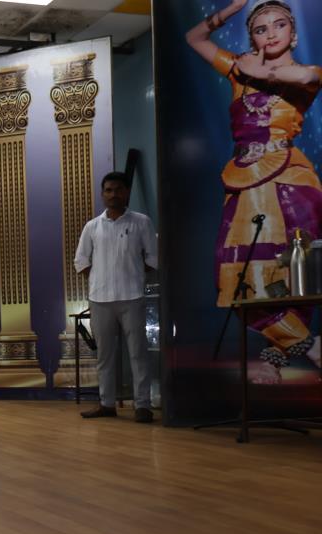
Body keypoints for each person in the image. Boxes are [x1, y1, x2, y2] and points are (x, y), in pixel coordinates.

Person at [186, 0, 322, 383]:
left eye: (279, 25)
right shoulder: (237, 70)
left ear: (293, 35)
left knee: (288, 271)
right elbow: (194, 38)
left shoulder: (308, 73)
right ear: (253, 38)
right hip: (244, 178)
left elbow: (304, 77)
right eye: (261, 29)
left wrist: (262, 71)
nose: (271, 33)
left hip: (290, 182)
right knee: (235, 274)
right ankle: (307, 345)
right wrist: (231, 9)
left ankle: (276, 357)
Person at [74, 172, 158, 423]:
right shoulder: (92, 226)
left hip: (132, 297)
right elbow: (81, 260)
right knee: (105, 355)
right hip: (100, 299)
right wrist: (99, 278)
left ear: (127, 192)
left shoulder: (141, 222)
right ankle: (106, 404)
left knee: (138, 353)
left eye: (118, 189)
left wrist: (132, 274)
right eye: (108, 190)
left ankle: (142, 406)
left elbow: (153, 258)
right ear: (103, 194)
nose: (113, 195)